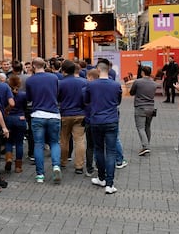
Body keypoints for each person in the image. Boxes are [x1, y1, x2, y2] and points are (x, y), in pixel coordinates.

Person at [84, 62, 122, 195]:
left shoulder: (91, 85)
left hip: (96, 120)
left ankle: (101, 178)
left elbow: (86, 100)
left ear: (98, 70)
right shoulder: (116, 85)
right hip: (111, 120)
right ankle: (110, 184)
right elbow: (118, 101)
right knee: (111, 151)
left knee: (99, 149)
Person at [25, 57, 62, 184]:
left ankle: (40, 174)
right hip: (53, 114)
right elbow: (57, 93)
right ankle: (56, 165)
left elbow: (29, 98)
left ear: (34, 66)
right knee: (54, 142)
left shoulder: (30, 80)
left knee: (39, 144)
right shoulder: (54, 78)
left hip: (37, 114)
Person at [58, 60, 87, 173]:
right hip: (80, 114)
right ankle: (79, 166)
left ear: (63, 70)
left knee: (64, 139)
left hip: (65, 114)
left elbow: (58, 98)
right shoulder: (84, 82)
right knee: (79, 140)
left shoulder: (60, 83)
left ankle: (63, 161)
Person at [128, 65, 157, 155]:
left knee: (140, 128)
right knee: (147, 127)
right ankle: (146, 145)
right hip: (151, 107)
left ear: (142, 72)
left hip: (140, 107)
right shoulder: (154, 83)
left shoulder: (138, 82)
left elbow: (131, 92)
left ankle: (145, 146)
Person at [5, 75, 27, 173]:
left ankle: (9, 158)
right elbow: (25, 107)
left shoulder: (7, 95)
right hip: (20, 118)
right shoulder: (23, 95)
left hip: (9, 118)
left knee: (9, 141)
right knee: (19, 143)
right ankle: (18, 166)